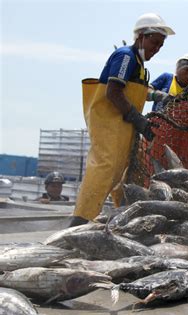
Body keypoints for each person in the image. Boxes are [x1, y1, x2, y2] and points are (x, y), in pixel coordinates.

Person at [69, 13, 175, 227]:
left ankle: (123, 217)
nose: (156, 48)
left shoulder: (139, 65)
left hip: (123, 126)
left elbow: (135, 91)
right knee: (105, 168)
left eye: (160, 46)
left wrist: (156, 96)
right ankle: (79, 222)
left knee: (124, 173)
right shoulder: (126, 55)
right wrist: (138, 119)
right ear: (141, 36)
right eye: (154, 42)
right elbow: (114, 92)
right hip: (110, 124)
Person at [146, 54, 188, 170]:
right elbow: (146, 92)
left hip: (183, 139)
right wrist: (160, 95)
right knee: (153, 164)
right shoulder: (166, 78)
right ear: (178, 68)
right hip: (159, 132)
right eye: (187, 70)